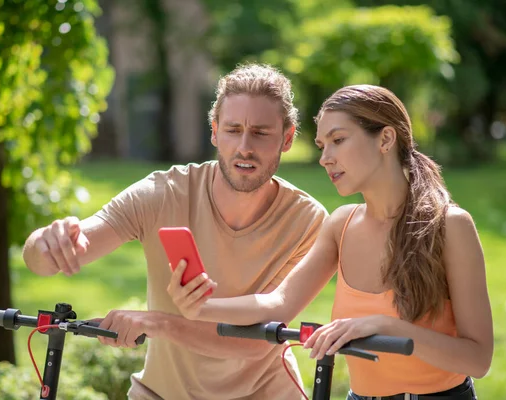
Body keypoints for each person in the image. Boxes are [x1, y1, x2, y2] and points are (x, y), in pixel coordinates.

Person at [22, 63, 329, 400]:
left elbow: (256, 340)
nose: (244, 146)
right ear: (214, 132)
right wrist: (46, 243)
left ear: (287, 138)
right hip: (161, 393)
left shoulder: (307, 220)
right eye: (232, 129)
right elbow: (48, 259)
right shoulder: (162, 193)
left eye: (260, 132)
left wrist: (158, 323)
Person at [167, 85, 493, 400]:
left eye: (338, 140)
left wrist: (385, 327)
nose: (325, 158)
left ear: (386, 139)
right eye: (322, 145)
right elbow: (279, 303)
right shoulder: (341, 224)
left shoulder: (450, 226)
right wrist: (200, 308)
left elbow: (477, 359)